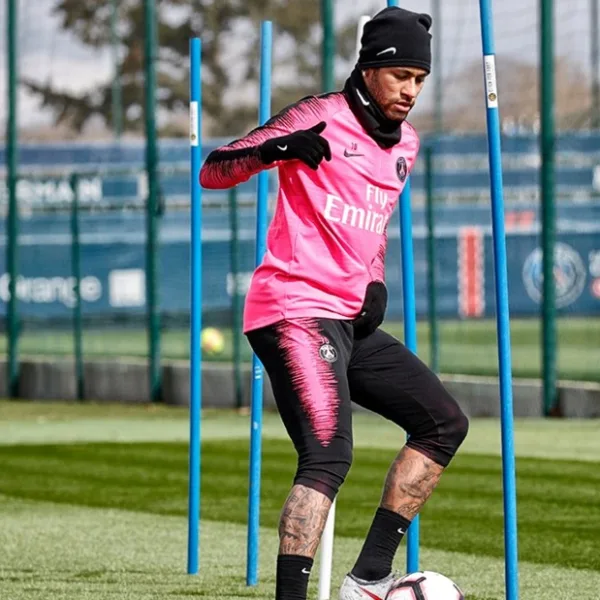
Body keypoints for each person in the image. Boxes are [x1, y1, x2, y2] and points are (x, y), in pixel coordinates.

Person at [200, 6, 469, 600]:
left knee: (444, 422)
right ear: (371, 68)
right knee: (327, 456)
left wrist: (373, 280)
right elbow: (212, 170)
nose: (411, 90)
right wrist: (277, 150)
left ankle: (367, 579)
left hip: (350, 319)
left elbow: (370, 230)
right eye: (401, 75)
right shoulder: (317, 115)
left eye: (421, 80)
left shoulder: (408, 145)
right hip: (291, 309)